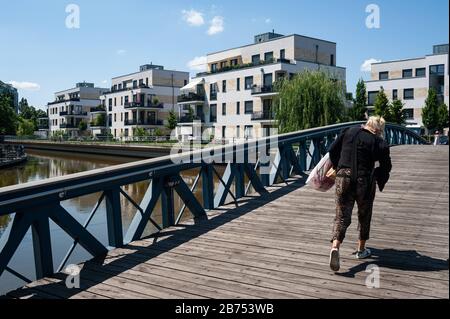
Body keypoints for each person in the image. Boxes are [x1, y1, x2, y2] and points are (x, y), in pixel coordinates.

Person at [327, 116, 392, 272]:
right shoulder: (378, 142)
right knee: (364, 214)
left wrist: (338, 166)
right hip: (364, 180)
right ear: (378, 130)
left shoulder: (348, 131)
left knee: (341, 215)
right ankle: (361, 250)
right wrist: (378, 175)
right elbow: (386, 165)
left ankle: (335, 247)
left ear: (368, 124)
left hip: (343, 178)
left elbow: (332, 150)